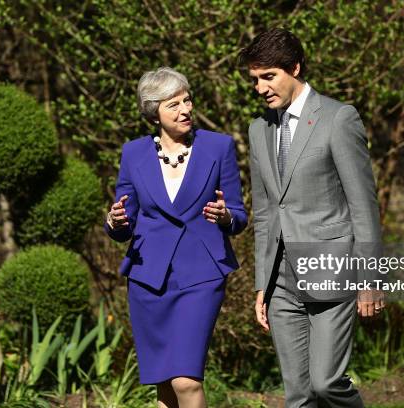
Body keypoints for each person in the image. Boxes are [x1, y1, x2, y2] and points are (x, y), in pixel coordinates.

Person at [240, 28, 384, 407]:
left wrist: (370, 277)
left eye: (269, 76)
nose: (260, 88)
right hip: (281, 282)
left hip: (331, 267)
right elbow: (267, 213)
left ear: (296, 68)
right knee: (298, 396)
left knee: (326, 384)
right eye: (255, 79)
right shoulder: (259, 131)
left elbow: (363, 206)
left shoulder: (338, 119)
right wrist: (262, 283)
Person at [105, 67, 247, 408]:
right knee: (164, 386)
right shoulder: (133, 153)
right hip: (148, 279)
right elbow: (124, 221)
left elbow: (238, 216)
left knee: (185, 380)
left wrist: (226, 216)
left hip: (202, 275)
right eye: (174, 104)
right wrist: (115, 221)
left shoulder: (218, 147)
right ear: (155, 112)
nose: (185, 110)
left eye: (187, 100)